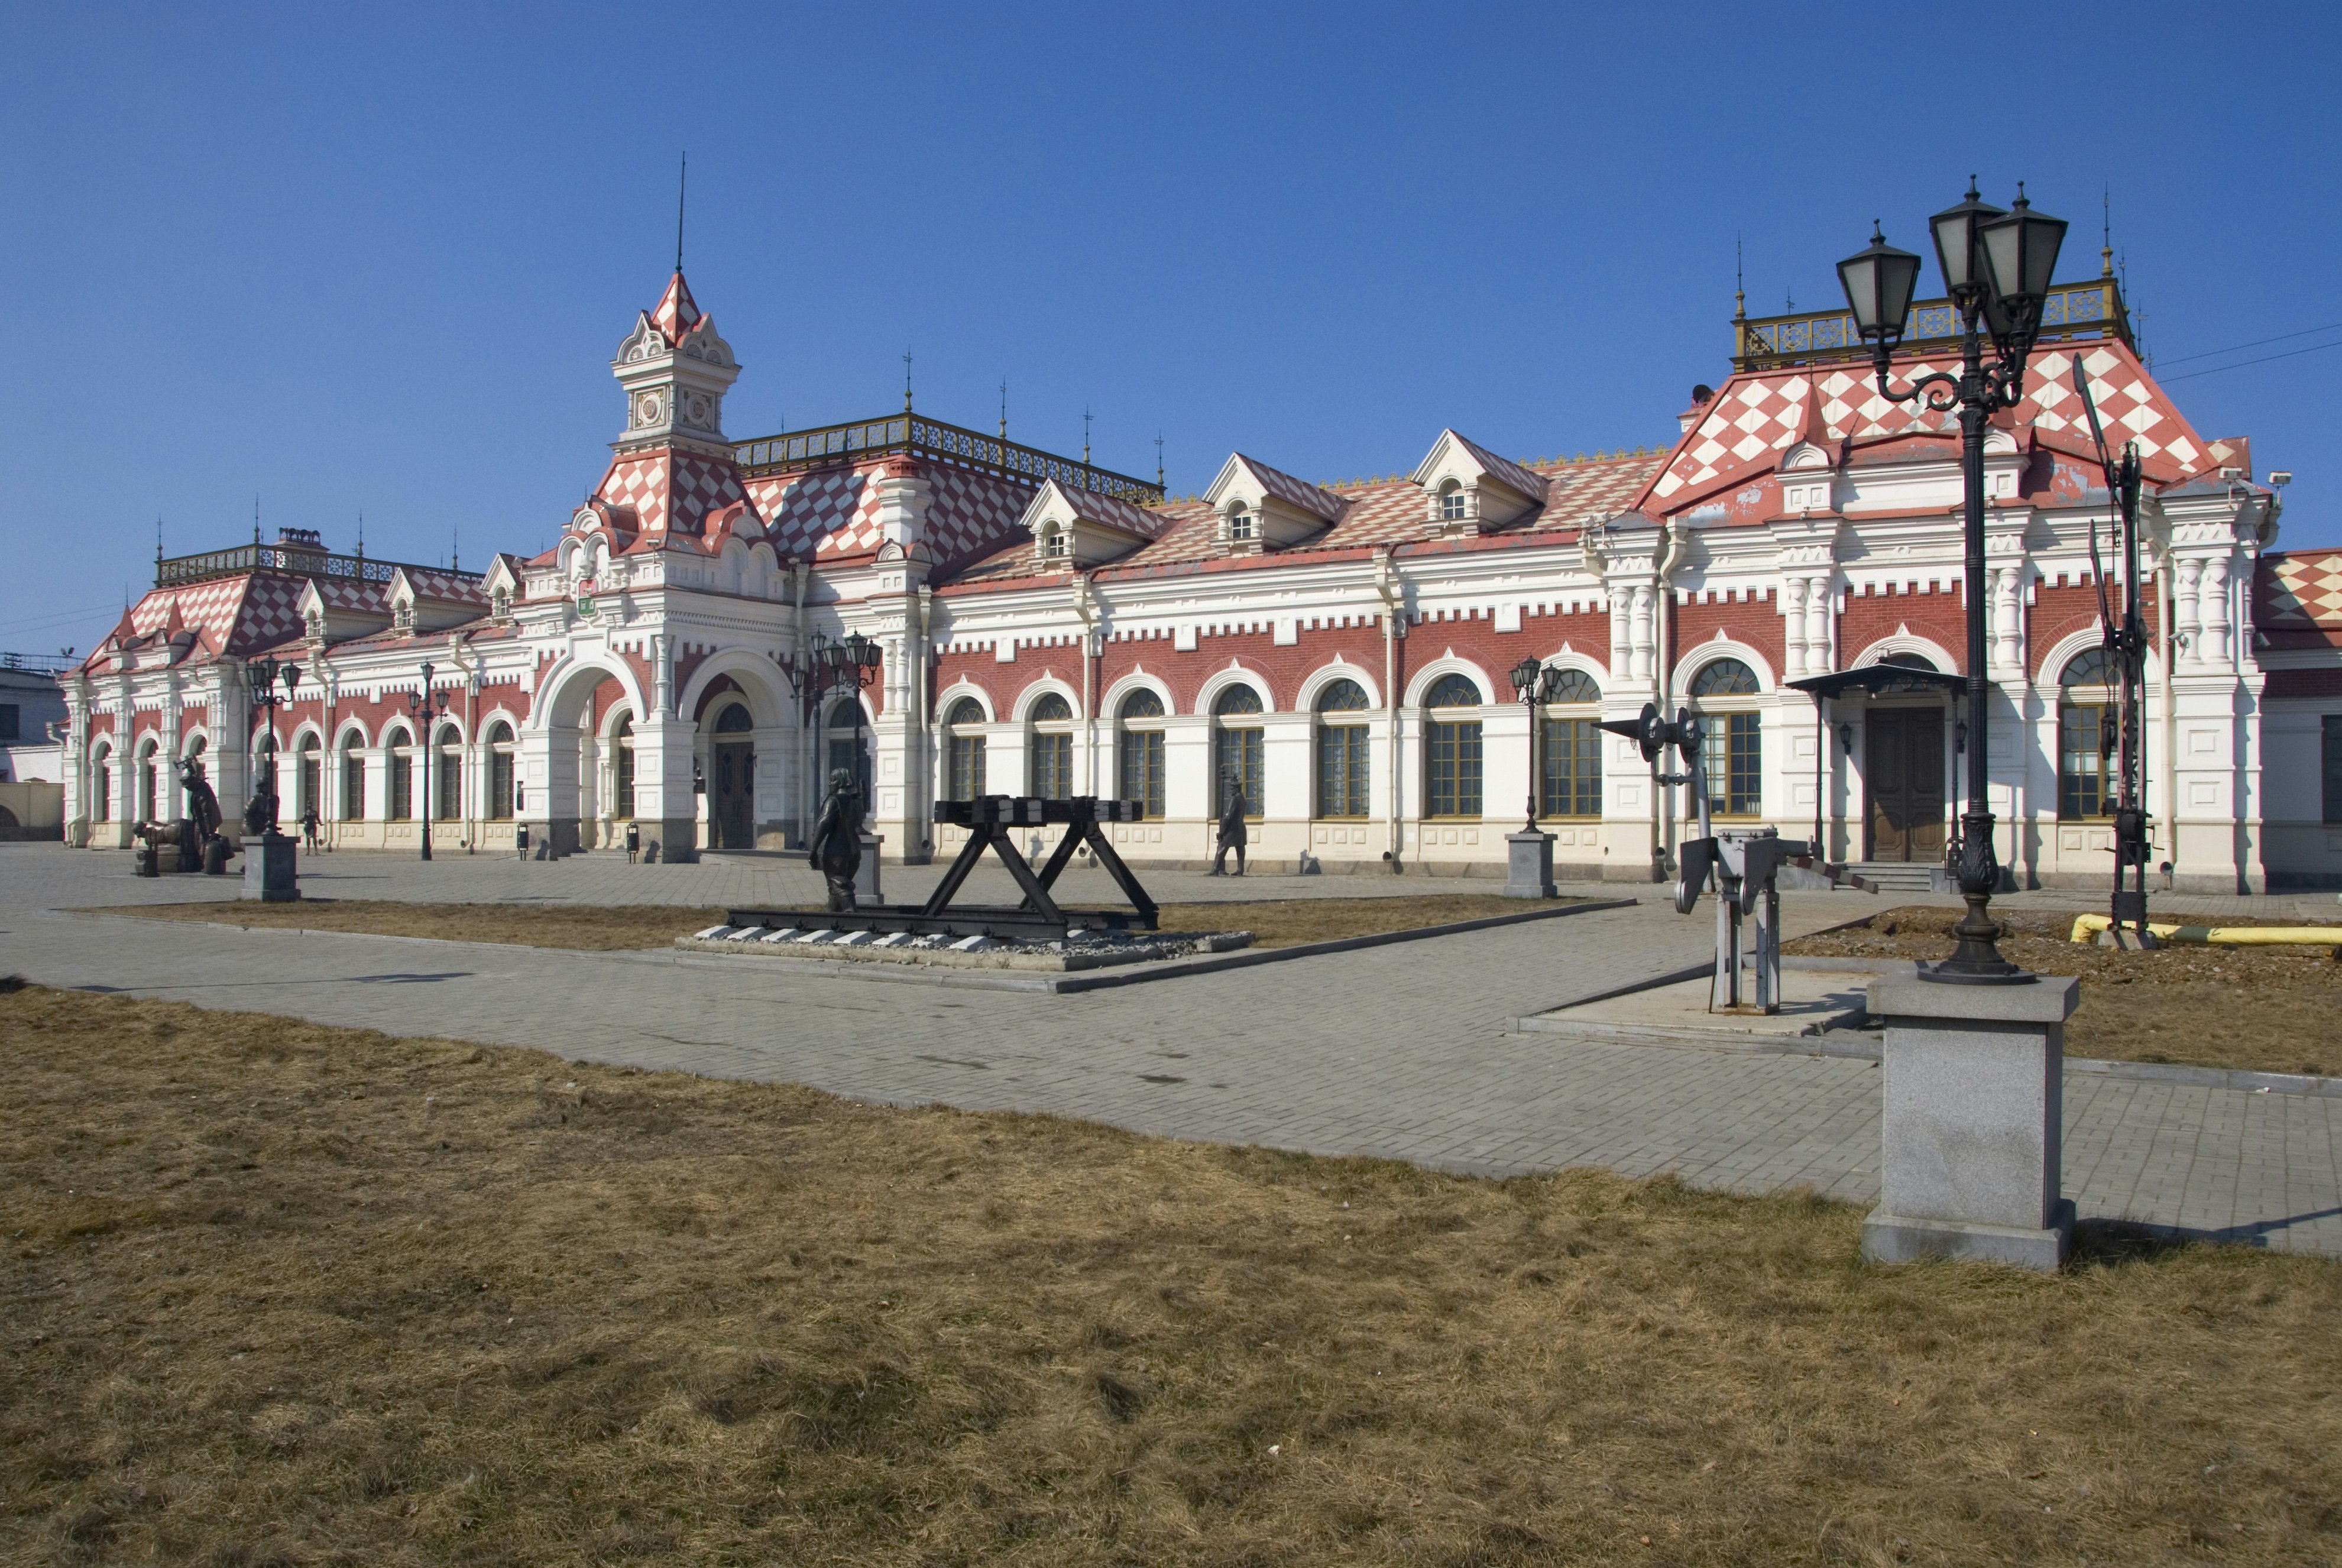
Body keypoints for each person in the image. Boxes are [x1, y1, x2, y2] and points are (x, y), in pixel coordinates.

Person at [808, 767, 864, 912]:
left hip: (836, 851)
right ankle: (832, 917)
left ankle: (852, 914)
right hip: (854, 849)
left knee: (838, 884)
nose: (829, 784)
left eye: (832, 780)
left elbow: (823, 824)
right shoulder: (856, 801)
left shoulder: (833, 800)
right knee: (835, 887)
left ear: (840, 783)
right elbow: (859, 823)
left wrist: (813, 849)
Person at [1210, 769, 1248, 877]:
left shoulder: (1235, 799)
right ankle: (1240, 870)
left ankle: (1215, 869)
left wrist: (1222, 831)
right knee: (1240, 849)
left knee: (1222, 848)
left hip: (1232, 829)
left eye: (1232, 789)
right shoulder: (1243, 799)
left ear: (1235, 789)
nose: (1231, 791)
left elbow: (1228, 816)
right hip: (1241, 827)